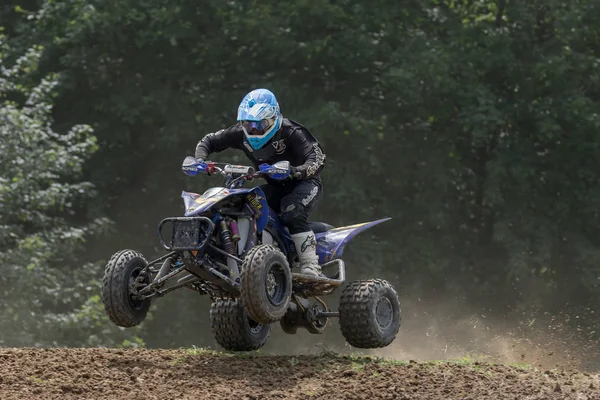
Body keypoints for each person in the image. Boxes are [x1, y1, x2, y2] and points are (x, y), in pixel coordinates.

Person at [194, 88, 326, 277]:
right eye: (248, 124)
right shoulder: (239, 133)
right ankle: (241, 256)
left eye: (259, 124)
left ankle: (310, 265)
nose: (253, 129)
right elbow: (208, 141)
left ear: (273, 119)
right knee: (244, 203)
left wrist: (295, 171)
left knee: (291, 209)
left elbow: (318, 158)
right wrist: (200, 161)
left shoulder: (292, 132)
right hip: (274, 186)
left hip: (305, 183)